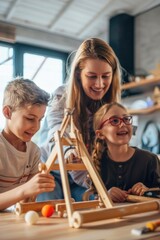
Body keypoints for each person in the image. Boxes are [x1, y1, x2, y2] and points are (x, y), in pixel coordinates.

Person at [37, 37, 122, 202]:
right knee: (49, 212)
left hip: (83, 178)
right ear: (78, 73)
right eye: (92, 76)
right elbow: (58, 134)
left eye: (106, 76)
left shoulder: (111, 106)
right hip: (51, 173)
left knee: (100, 205)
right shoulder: (61, 97)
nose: (99, 84)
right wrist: (69, 151)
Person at [0, 78, 55, 211]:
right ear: (7, 112)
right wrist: (25, 189)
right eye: (30, 119)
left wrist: (34, 190)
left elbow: (26, 203)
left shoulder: (34, 152)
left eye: (40, 120)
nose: (36, 127)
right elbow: (24, 192)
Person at [91, 102, 160, 203]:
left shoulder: (150, 160)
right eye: (114, 121)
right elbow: (93, 198)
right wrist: (106, 196)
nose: (123, 124)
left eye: (126, 119)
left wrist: (147, 191)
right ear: (100, 134)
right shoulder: (97, 163)